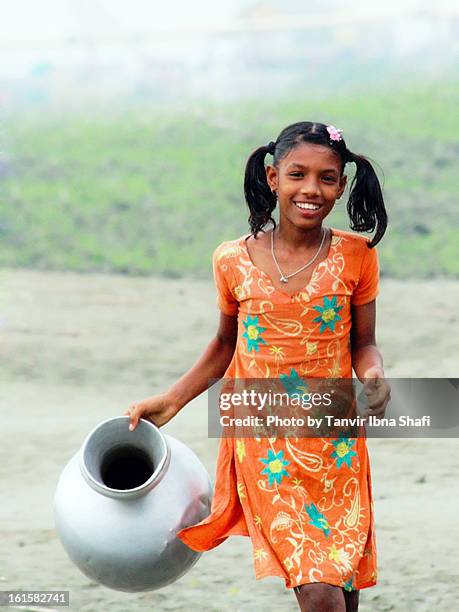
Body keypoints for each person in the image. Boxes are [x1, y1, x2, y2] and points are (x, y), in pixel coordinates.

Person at [124, 121, 391, 612]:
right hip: (266, 444)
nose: (311, 190)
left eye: (327, 179)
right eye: (297, 175)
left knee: (342, 584)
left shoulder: (356, 257)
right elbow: (224, 344)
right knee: (319, 590)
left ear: (342, 186)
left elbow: (365, 343)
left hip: (336, 444)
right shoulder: (233, 260)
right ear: (273, 178)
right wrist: (172, 400)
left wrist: (372, 375)